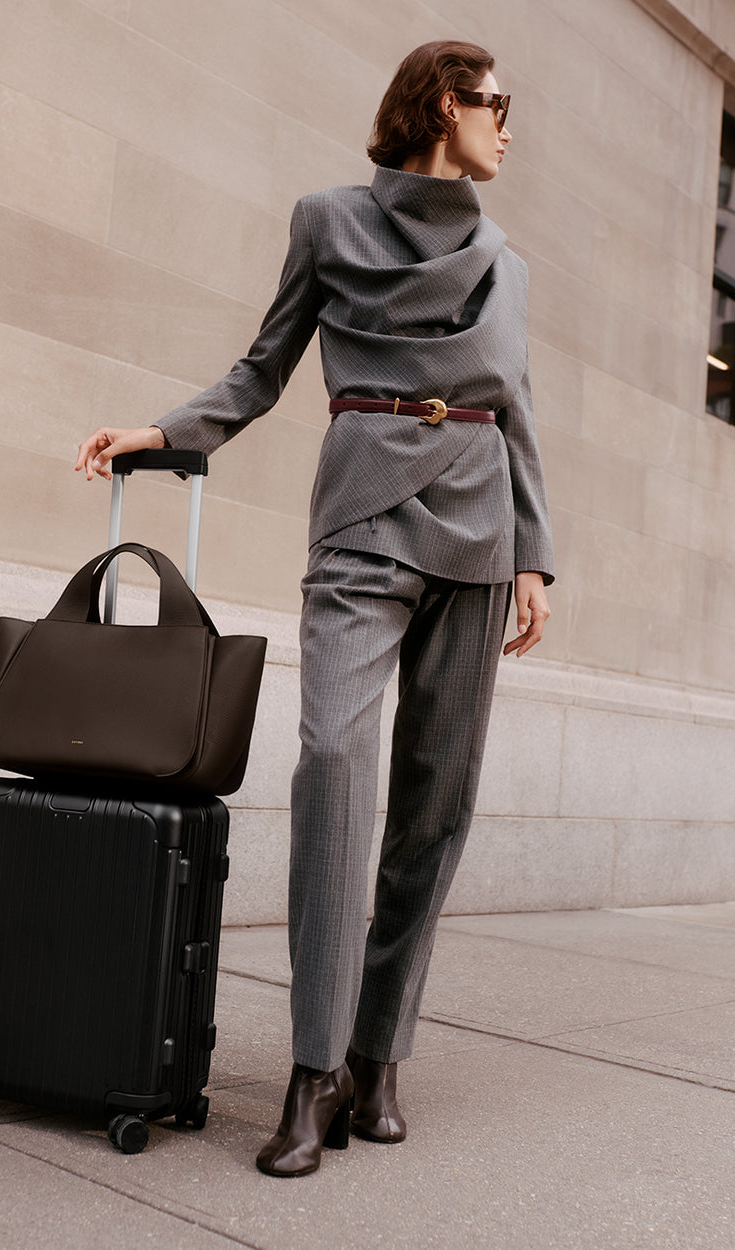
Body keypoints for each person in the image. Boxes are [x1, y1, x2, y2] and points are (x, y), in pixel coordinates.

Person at [75, 40, 553, 1178]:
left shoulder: (508, 263)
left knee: (438, 798)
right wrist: (166, 430)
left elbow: (516, 407)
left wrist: (536, 555)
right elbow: (264, 365)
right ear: (446, 102)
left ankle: (379, 1055)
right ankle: (312, 1065)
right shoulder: (327, 219)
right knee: (334, 763)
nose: (507, 128)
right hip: (361, 519)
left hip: (482, 532)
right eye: (498, 106)